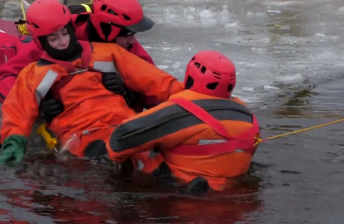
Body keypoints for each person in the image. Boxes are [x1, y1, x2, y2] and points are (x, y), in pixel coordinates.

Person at [0, 0, 183, 166]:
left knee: (151, 149)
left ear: (71, 29)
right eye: (54, 38)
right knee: (99, 152)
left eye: (65, 34)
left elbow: (155, 80)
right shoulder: (33, 72)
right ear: (42, 41)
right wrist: (17, 137)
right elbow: (17, 109)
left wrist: (192, 96)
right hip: (81, 133)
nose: (63, 42)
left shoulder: (110, 51)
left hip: (121, 122)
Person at [0, 0, 157, 119]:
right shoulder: (61, 37)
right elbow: (5, 78)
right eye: (127, 33)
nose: (133, 40)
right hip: (23, 47)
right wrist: (36, 106)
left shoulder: (126, 44)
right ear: (107, 28)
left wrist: (129, 91)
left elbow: (153, 84)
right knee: (7, 49)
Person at [106, 50, 260, 193]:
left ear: (191, 76)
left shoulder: (176, 112)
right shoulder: (247, 115)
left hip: (185, 186)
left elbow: (118, 142)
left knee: (138, 149)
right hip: (233, 186)